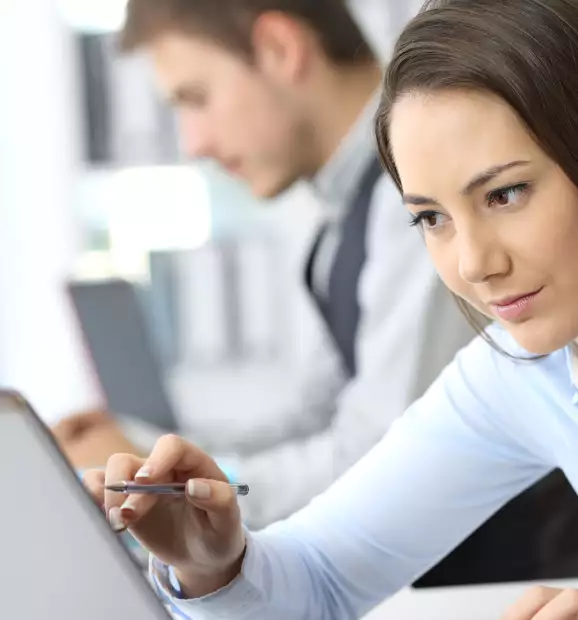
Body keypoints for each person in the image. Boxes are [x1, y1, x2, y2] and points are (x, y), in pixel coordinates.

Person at [81, 0, 578, 620]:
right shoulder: (523, 376)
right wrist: (212, 562)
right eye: (431, 218)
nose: (474, 263)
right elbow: (317, 581)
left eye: (506, 193)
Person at [56, 0, 474, 528]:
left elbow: (379, 458)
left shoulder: (415, 196)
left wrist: (176, 489)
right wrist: (144, 448)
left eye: (196, 98)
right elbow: (313, 422)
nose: (194, 143)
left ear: (280, 49)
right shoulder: (345, 209)